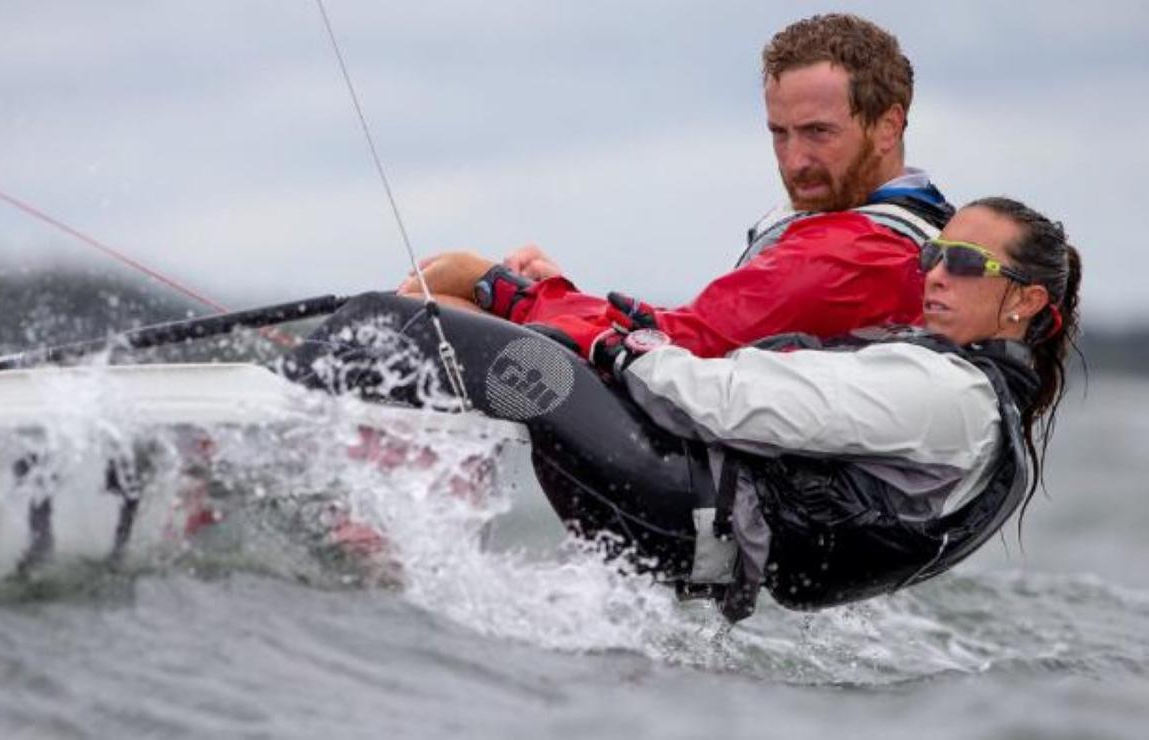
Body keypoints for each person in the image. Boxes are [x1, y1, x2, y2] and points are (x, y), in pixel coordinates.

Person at [581, 197, 1082, 620]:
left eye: (967, 263)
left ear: (1028, 300)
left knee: (527, 347)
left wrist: (630, 351)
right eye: (933, 255)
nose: (936, 276)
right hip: (705, 537)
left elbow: (736, 405)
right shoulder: (984, 404)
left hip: (675, 504)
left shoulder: (950, 394)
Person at [399, 13, 954, 360]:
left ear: (888, 125)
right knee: (457, 314)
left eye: (818, 133)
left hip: (750, 507)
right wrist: (554, 293)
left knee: (424, 317)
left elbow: (678, 341)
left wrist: (498, 286)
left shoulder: (857, 251)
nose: (795, 159)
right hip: (762, 463)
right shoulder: (913, 219)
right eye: (778, 133)